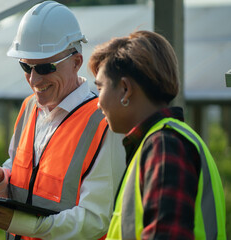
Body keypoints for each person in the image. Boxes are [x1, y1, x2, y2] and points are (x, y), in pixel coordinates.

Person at [0, 1, 126, 239]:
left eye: (45, 67)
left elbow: (96, 220)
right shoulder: (30, 106)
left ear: (76, 62)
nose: (34, 79)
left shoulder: (104, 123)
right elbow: (23, 166)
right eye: (25, 67)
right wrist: (3, 177)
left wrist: (24, 224)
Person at [88, 30, 226, 239]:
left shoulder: (164, 145)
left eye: (100, 88)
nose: (98, 103)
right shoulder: (165, 141)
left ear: (125, 89)